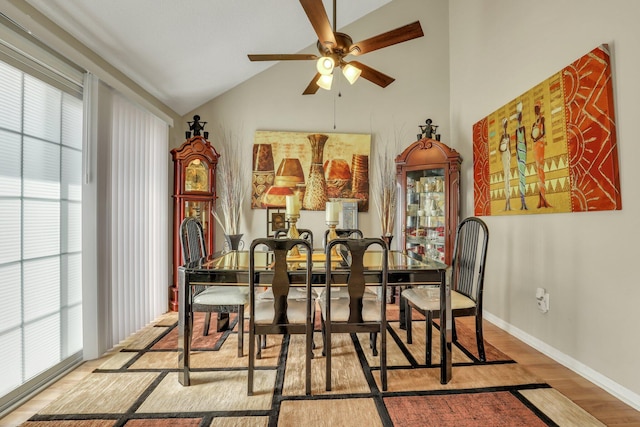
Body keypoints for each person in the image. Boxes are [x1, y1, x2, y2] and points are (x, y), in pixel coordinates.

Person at [531, 101, 552, 208]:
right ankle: (541, 200)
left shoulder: (542, 119)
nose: (536, 110)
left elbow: (544, 133)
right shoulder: (534, 123)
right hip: (535, 146)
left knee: (541, 169)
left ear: (540, 108)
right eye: (535, 108)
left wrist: (537, 138)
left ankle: (543, 199)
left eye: (537, 108)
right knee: (538, 170)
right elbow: (531, 135)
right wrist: (534, 138)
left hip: (540, 145)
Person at [513, 102, 528, 210]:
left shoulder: (523, 128)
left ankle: (524, 201)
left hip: (523, 150)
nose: (520, 118)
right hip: (519, 150)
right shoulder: (516, 130)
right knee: (520, 175)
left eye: (520, 116)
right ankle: (522, 201)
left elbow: (525, 141)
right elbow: (515, 143)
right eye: (519, 117)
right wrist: (517, 154)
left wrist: (524, 152)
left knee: (523, 175)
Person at [498, 118, 512, 210]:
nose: (506, 125)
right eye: (505, 124)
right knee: (505, 177)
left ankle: (509, 202)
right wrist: (503, 148)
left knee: (508, 176)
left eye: (506, 123)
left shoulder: (508, 135)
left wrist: (509, 153)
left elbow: (510, 147)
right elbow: (499, 148)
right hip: (504, 154)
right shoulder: (502, 136)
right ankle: (507, 201)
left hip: (508, 155)